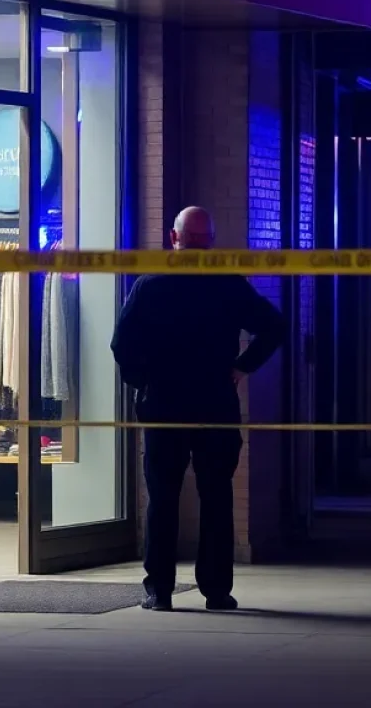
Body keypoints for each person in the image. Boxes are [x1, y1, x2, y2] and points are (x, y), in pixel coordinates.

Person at [110, 206, 285, 612]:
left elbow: (122, 344)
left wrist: (142, 381)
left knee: (163, 498)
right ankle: (216, 590)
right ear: (210, 242)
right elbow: (273, 325)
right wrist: (241, 368)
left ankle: (160, 590)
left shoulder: (150, 284)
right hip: (215, 402)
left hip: (164, 404)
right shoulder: (227, 284)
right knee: (217, 497)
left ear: (174, 239)